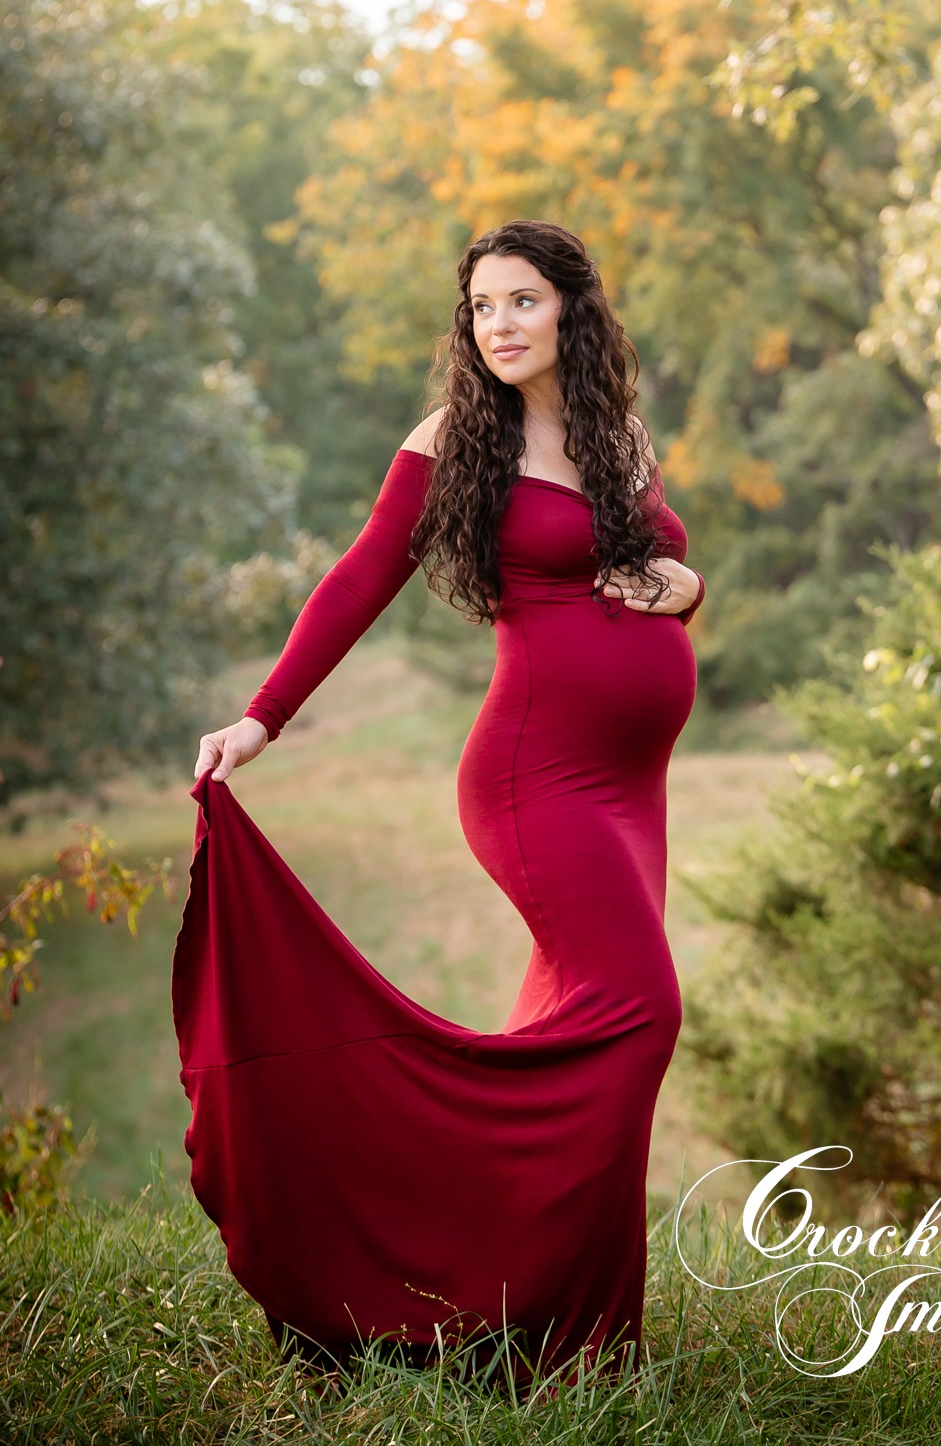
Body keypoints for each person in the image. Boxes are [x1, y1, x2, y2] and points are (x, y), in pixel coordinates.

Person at [174, 219, 705, 1378]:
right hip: (534, 779)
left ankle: (541, 1323)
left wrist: (684, 582)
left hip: (630, 784)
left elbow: (663, 559)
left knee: (567, 1037)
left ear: (571, 308)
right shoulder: (454, 441)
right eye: (480, 307)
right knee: (638, 1016)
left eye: (521, 301)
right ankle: (483, 1295)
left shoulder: (617, 431)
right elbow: (359, 577)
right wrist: (262, 717)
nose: (499, 325)